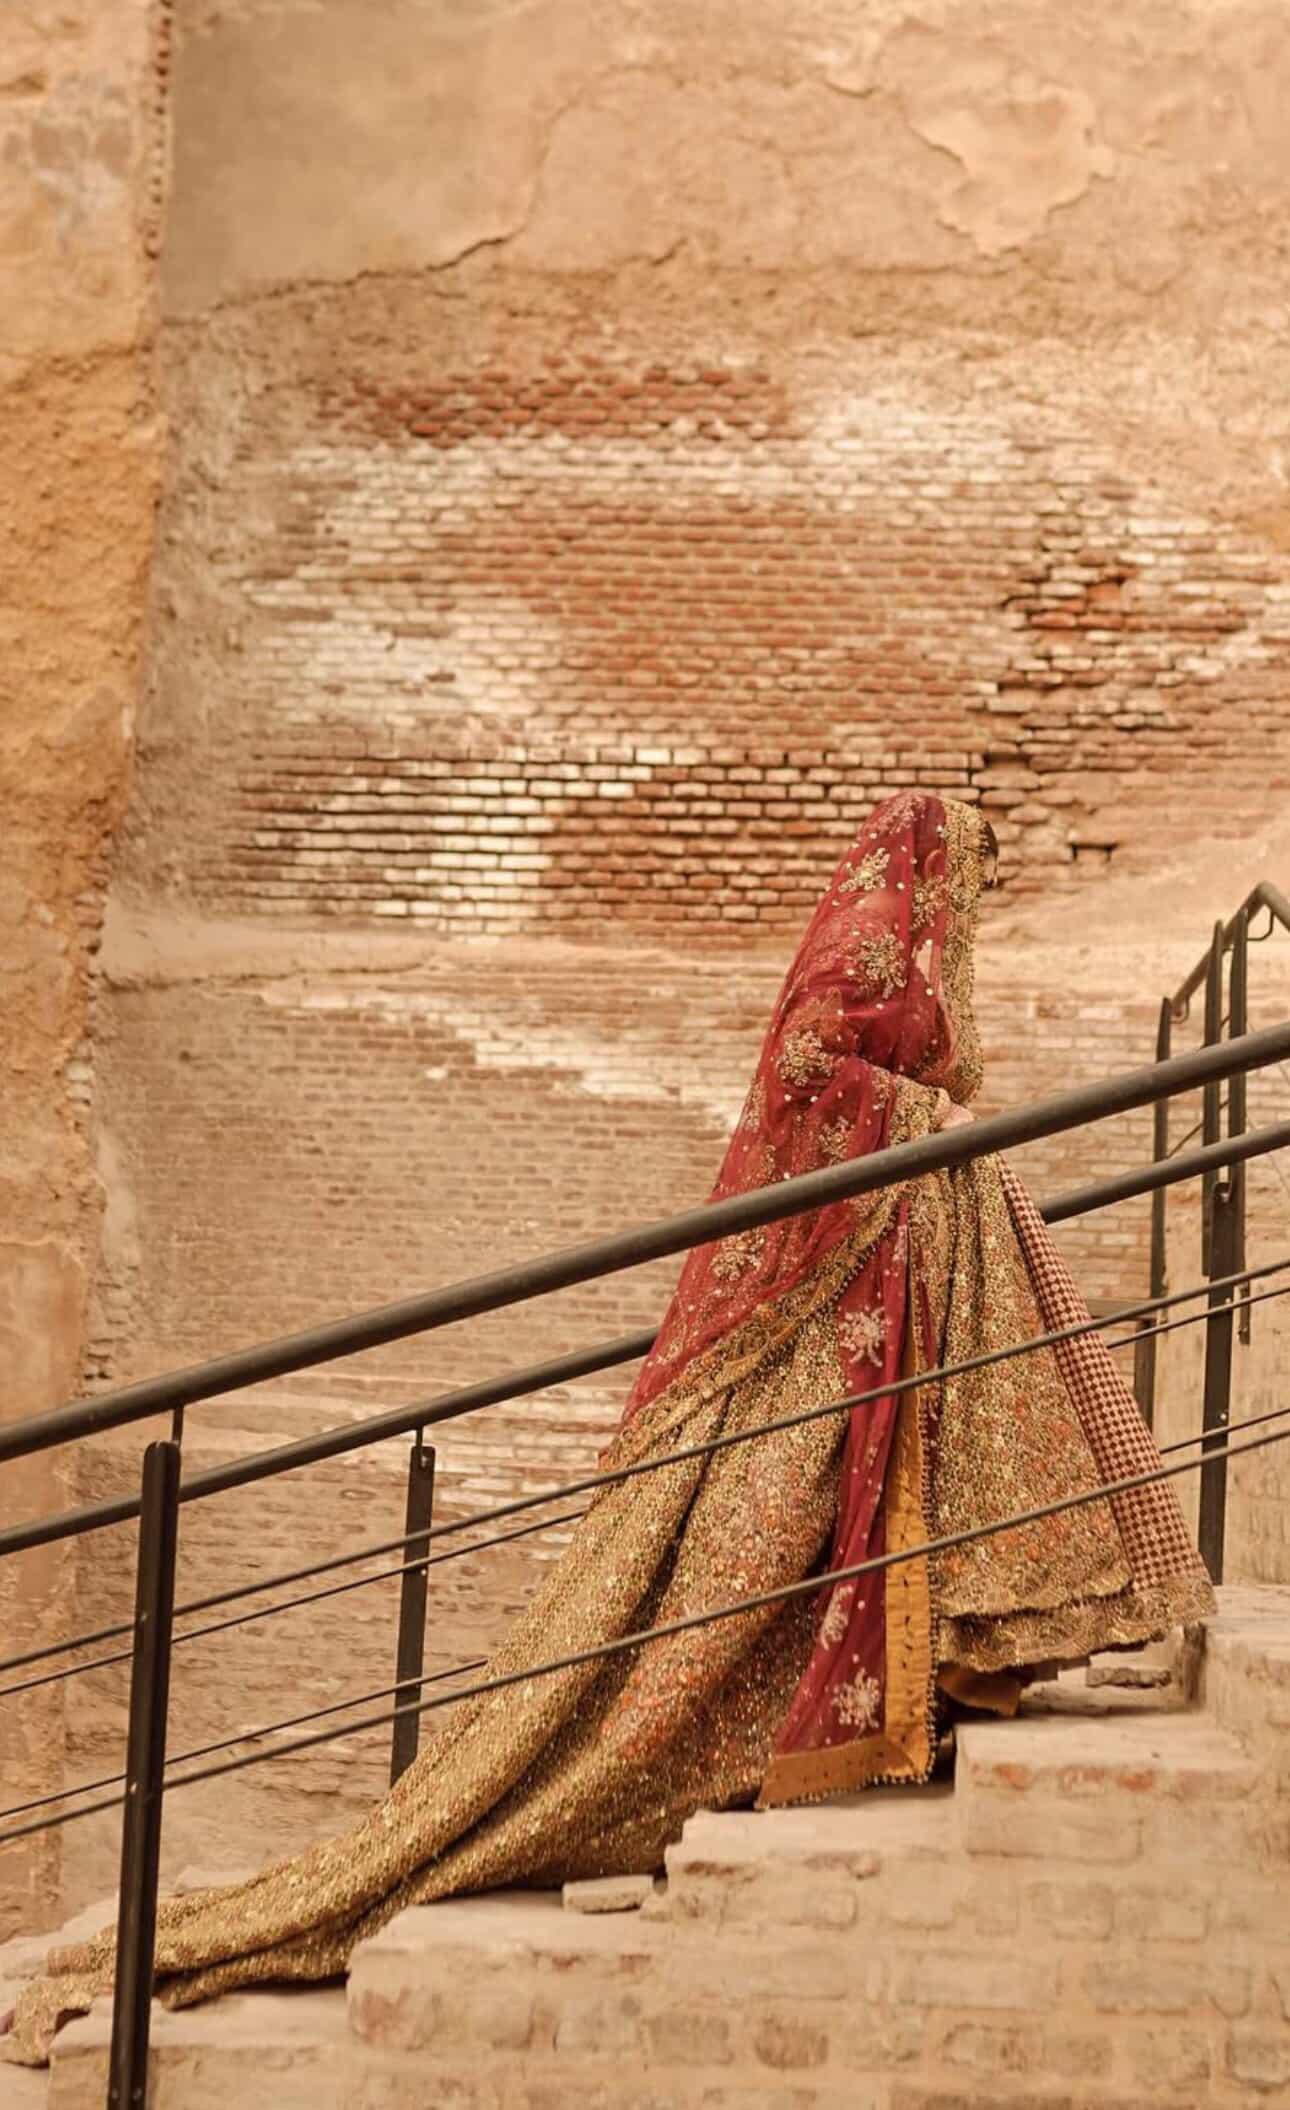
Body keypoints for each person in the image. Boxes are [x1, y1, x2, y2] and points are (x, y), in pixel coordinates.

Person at [3, 791, 1214, 2064]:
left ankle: (941, 1680)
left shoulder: (909, 957)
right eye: (964, 881)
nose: (964, 912)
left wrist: (939, 1120)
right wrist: (927, 1124)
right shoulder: (864, 944)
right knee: (748, 1538)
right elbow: (806, 1067)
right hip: (838, 1288)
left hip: (897, 1275)